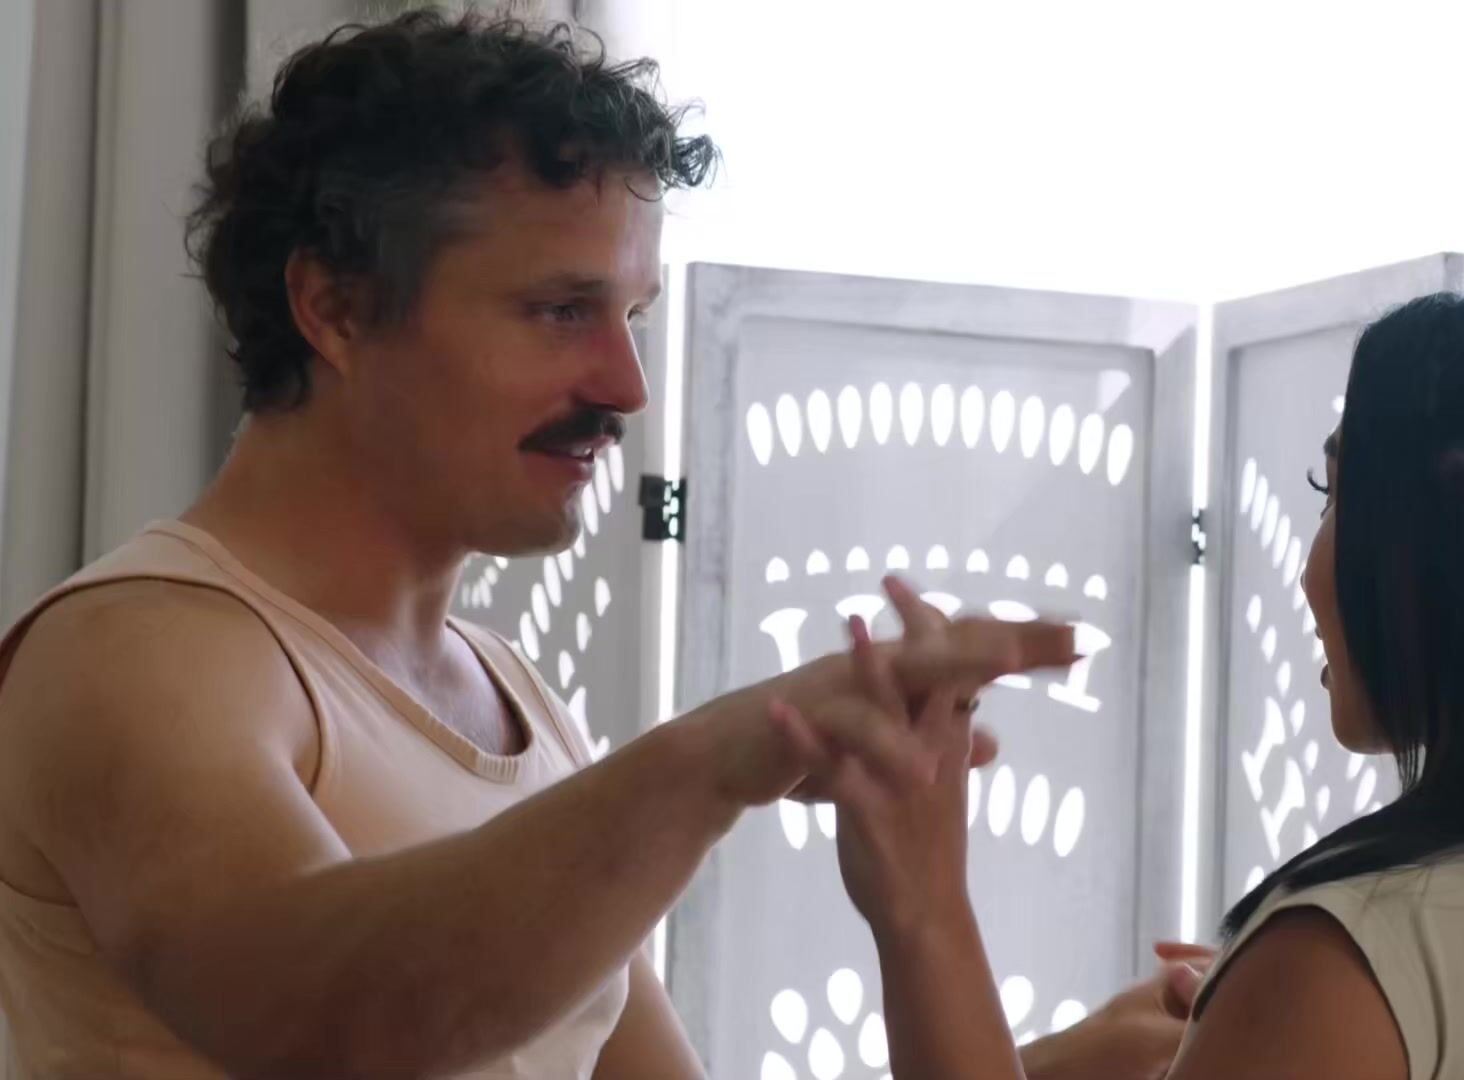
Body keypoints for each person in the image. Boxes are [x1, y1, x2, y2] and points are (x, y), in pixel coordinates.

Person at [0, 11, 1208, 1079]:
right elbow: (332, 1026)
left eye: (630, 315)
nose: (627, 386)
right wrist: (713, 759)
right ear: (336, 307)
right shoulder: (136, 654)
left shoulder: (517, 700)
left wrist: (1058, 1063)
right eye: (560, 311)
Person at [788, 267, 1464, 1079]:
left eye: (1336, 496)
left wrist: (923, 911)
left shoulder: (1353, 957)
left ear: (1458, 558)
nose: (1310, 570)